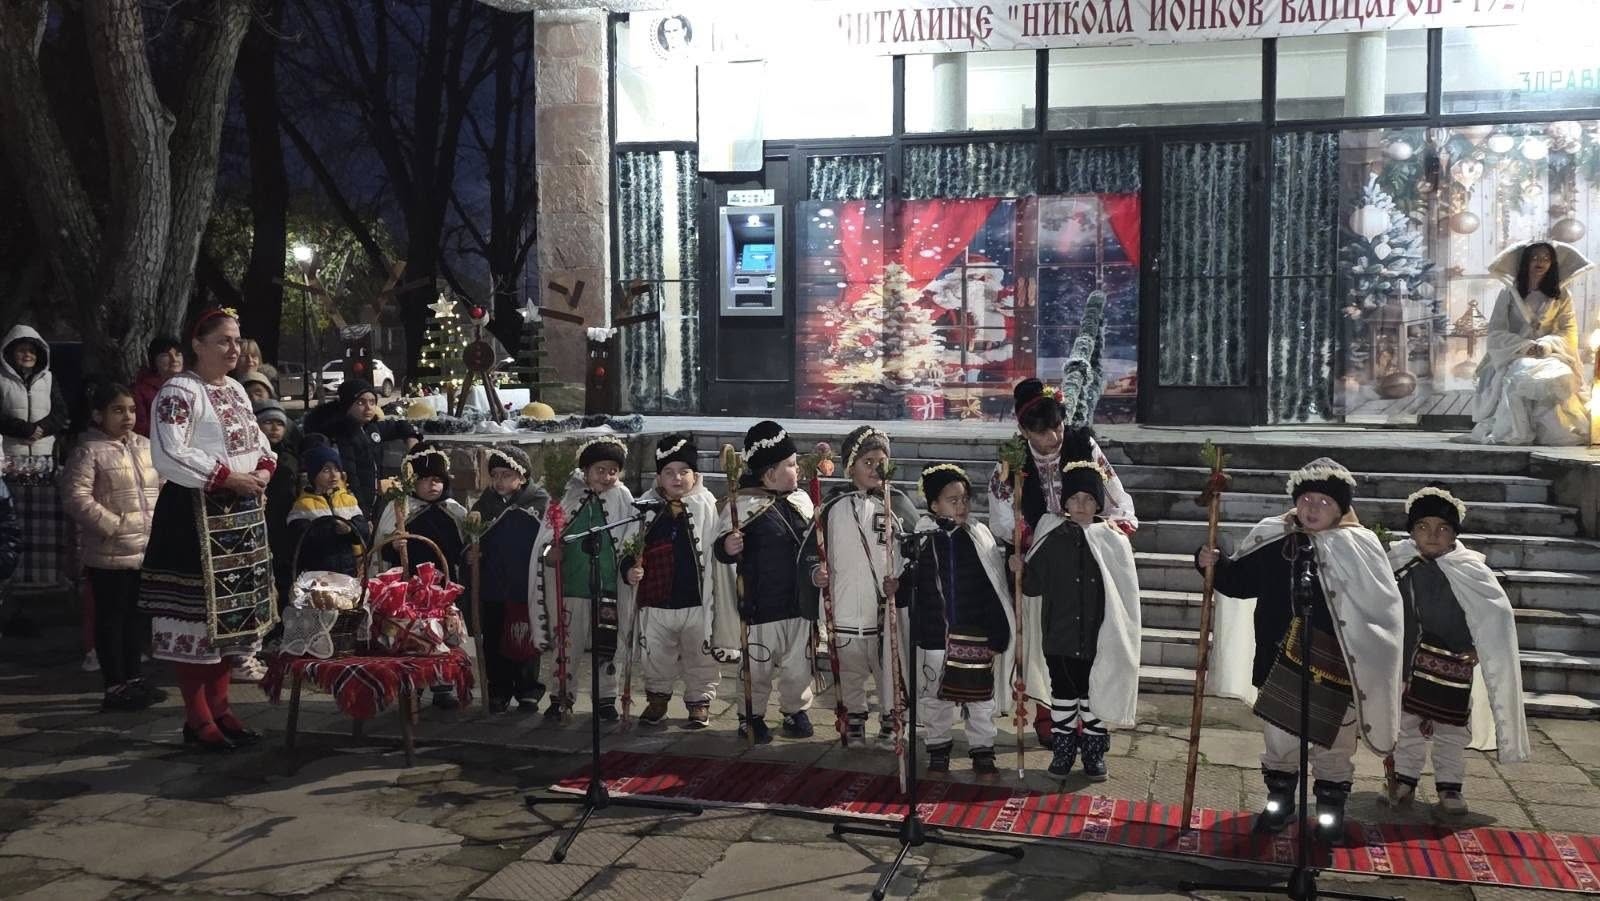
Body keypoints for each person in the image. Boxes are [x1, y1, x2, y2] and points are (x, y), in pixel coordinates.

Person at [1197, 457, 1403, 842]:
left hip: (1336, 667)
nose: (1312, 507)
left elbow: (1382, 610)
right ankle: (1280, 804)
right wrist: (1211, 563)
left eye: (1324, 502)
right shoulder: (1275, 537)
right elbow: (1239, 582)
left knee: (1335, 745)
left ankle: (1329, 813)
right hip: (1279, 662)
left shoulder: (1360, 547)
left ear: (1341, 509)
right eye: (1306, 499)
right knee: (1280, 742)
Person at [139, 307, 277, 752]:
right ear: (198, 345)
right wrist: (227, 477)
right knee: (198, 625)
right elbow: (170, 452)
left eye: (236, 340)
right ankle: (197, 719)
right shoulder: (179, 392)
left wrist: (262, 470)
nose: (233, 348)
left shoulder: (235, 389)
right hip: (195, 515)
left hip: (239, 516)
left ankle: (221, 709)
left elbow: (259, 441)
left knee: (229, 624)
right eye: (223, 341)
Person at [990, 377, 1136, 747]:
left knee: (1089, 637)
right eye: (1042, 432)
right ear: (1025, 431)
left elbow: (1114, 493)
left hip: (1085, 555)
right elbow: (1001, 516)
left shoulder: (1081, 444)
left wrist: (1111, 524)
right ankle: (1051, 716)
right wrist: (1031, 535)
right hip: (1042, 560)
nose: (1053, 437)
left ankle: (1092, 718)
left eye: (1057, 426)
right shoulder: (1012, 460)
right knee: (1045, 641)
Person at [1384, 486, 1530, 818]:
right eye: (1423, 527)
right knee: (1406, 725)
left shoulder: (1470, 570)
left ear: (1454, 535)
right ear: (1411, 531)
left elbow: (1495, 615)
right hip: (1408, 663)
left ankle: (1450, 787)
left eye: (1442, 528)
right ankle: (1404, 779)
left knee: (1451, 729)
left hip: (1453, 663)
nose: (1432, 534)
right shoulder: (1399, 564)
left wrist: (1480, 647)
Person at [1019, 460, 1141, 782]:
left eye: (1089, 499)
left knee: (1093, 698)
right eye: (1074, 498)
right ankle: (1062, 752)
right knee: (1062, 697)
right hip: (1059, 637)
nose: (1082, 505)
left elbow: (1123, 592)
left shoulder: (1113, 540)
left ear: (1099, 503)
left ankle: (1093, 753)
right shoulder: (1052, 538)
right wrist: (1020, 569)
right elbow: (1032, 587)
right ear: (1066, 503)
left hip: (1097, 637)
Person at [896, 463, 1013, 775]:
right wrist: (898, 588)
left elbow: (993, 587)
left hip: (975, 634)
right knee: (936, 697)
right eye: (952, 500)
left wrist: (997, 632)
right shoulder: (920, 540)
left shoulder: (979, 536)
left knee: (980, 698)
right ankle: (938, 746)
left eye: (964, 499)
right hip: (935, 636)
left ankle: (982, 748)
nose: (961, 506)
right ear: (934, 504)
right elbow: (910, 587)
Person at [709, 421, 818, 744]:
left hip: (798, 604)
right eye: (791, 465)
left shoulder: (800, 502)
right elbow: (720, 548)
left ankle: (795, 709)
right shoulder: (741, 506)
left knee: (799, 666)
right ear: (769, 474)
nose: (797, 470)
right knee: (757, 668)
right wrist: (728, 546)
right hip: (760, 607)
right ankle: (751, 715)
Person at [807, 426, 917, 745]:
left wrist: (901, 581)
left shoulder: (896, 505)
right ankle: (853, 716)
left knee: (888, 669)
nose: (875, 469)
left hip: (881, 608)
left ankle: (892, 716)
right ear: (849, 467)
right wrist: (816, 574)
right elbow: (813, 549)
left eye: (881, 462)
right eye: (867, 462)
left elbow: (914, 551)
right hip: (843, 607)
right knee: (849, 670)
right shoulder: (832, 506)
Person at [61, 380, 165, 712]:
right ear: (98, 415)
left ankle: (134, 677)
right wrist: (112, 525)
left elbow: (161, 487)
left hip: (144, 548)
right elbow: (75, 497)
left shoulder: (146, 447)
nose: (127, 417)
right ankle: (115, 684)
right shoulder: (88, 451)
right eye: (118, 410)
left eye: (131, 410)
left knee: (136, 617)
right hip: (109, 551)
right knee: (111, 618)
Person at [618, 433, 719, 729]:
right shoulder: (643, 507)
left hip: (695, 599)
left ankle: (699, 701)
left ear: (695, 475)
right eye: (669, 472)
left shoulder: (707, 505)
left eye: (684, 471)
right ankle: (658, 699)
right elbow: (627, 547)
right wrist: (629, 570)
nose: (677, 478)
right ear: (659, 476)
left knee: (699, 655)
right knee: (656, 656)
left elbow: (715, 549)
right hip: (656, 600)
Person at [530, 436, 635, 721]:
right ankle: (561, 695)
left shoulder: (623, 497)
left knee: (607, 645)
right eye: (600, 470)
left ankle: (606, 698)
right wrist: (550, 553)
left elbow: (631, 537)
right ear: (585, 470)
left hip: (607, 587)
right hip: (573, 586)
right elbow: (546, 541)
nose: (607, 476)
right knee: (567, 645)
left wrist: (629, 567)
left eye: (613, 471)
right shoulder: (566, 497)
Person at [1461, 241, 1593, 446]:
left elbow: (1568, 331)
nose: (1540, 262)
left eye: (1546, 258)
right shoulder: (1509, 293)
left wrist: (1546, 345)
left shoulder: (1561, 295)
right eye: (1535, 258)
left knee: (1560, 375)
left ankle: (1551, 431)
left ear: (1552, 263)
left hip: (1551, 354)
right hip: (1516, 353)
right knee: (1521, 373)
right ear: (1526, 262)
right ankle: (1518, 430)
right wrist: (1524, 346)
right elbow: (1496, 331)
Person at [373, 443, 467, 709]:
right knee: (411, 635)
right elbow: (380, 548)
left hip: (442, 587)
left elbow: (461, 549)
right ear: (412, 482)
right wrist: (393, 545)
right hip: (409, 587)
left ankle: (442, 685)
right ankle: (412, 686)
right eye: (425, 479)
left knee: (442, 633)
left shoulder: (453, 511)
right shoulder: (400, 508)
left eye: (438, 479)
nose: (432, 485)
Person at [466, 446, 550, 714]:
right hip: (494, 584)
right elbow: (471, 540)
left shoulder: (540, 503)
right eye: (495, 475)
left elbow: (550, 539)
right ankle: (498, 690)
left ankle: (528, 690)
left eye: (506, 474)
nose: (499, 481)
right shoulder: (484, 504)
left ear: (522, 476)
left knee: (525, 638)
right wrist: (472, 553)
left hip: (524, 584)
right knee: (493, 640)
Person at [302, 379, 420, 515]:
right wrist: (363, 513)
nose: (368, 407)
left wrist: (412, 438)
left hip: (373, 503)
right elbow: (351, 478)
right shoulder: (342, 435)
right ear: (347, 405)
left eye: (372, 402)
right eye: (360, 402)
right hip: (351, 508)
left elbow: (399, 425)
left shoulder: (371, 428)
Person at [287, 438, 369, 578]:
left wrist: (350, 529)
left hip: (348, 571)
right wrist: (332, 528)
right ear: (313, 474)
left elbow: (364, 530)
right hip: (318, 574)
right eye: (326, 470)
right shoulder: (303, 505)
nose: (333, 474)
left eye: (337, 469)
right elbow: (301, 537)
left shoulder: (347, 499)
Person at [255, 399, 301, 606]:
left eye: (280, 423)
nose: (274, 428)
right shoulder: (250, 458)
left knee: (284, 573)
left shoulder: (290, 455)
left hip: (285, 522)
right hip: (261, 520)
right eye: (268, 422)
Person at [0, 324, 68, 460]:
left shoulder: (48, 378)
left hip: (43, 454)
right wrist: (24, 429)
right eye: (22, 350)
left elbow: (60, 412)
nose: (28, 355)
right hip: (9, 453)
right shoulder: (1, 378)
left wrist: (41, 429)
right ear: (10, 353)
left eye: (32, 351)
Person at [134, 337, 184, 438]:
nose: (174, 359)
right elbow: (141, 429)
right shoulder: (141, 391)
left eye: (178, 354)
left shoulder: (192, 385)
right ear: (154, 360)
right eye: (166, 355)